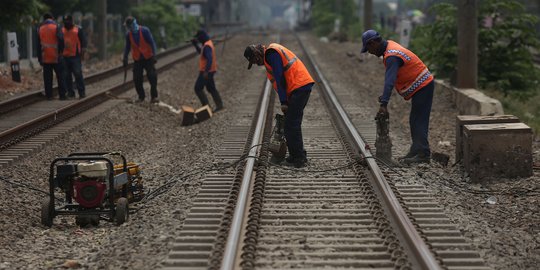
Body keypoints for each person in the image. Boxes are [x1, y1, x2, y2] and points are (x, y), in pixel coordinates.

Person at [361, 29, 434, 164]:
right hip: (422, 85)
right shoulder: (390, 47)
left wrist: (384, 103)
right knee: (415, 120)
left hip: (424, 85)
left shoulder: (391, 56)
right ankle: (416, 150)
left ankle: (423, 154)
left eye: (368, 49)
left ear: (372, 43)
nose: (369, 52)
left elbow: (389, 80)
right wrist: (384, 96)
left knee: (418, 120)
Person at [244, 43, 314, 168]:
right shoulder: (269, 56)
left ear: (257, 54)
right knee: (292, 123)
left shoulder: (272, 54)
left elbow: (280, 76)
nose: (256, 63)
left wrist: (284, 102)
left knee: (291, 124)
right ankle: (296, 155)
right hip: (299, 86)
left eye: (254, 61)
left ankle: (299, 159)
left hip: (299, 86)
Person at [123, 16, 158, 103]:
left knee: (152, 77)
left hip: (148, 58)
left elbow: (152, 42)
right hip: (138, 59)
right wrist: (125, 57)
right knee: (137, 78)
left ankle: (154, 97)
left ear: (132, 25)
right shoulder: (128, 35)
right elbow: (127, 47)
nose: (127, 28)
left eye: (128, 26)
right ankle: (141, 97)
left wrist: (154, 55)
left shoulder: (145, 31)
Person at [190, 30, 223, 112]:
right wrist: (195, 45)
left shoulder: (207, 46)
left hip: (206, 71)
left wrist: (206, 72)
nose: (198, 39)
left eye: (198, 38)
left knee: (198, 88)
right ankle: (219, 105)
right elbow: (201, 53)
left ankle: (207, 108)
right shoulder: (207, 44)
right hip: (210, 70)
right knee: (211, 88)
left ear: (201, 37)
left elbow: (209, 59)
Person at [37, 13, 66, 100]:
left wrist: (39, 59)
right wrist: (61, 52)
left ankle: (49, 96)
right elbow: (61, 39)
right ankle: (62, 96)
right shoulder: (56, 26)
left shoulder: (40, 29)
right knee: (60, 77)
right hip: (56, 57)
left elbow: (38, 46)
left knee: (47, 78)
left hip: (45, 57)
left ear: (44, 19)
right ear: (52, 18)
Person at [62, 15, 87, 99]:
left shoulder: (78, 29)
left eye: (68, 21)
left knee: (78, 74)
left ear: (72, 21)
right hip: (65, 56)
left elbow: (83, 42)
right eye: (65, 21)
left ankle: (81, 92)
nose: (66, 23)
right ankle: (70, 92)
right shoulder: (62, 30)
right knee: (66, 75)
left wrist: (82, 55)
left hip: (75, 56)